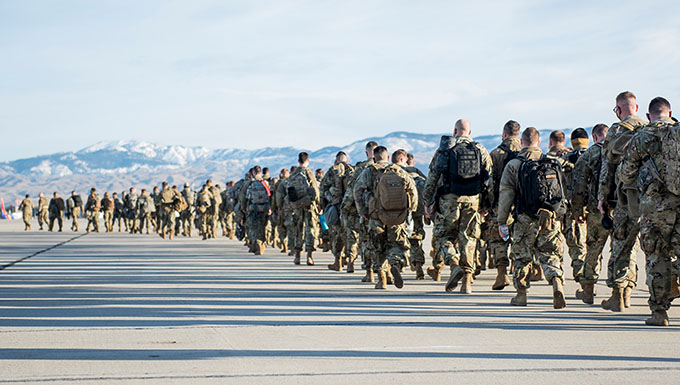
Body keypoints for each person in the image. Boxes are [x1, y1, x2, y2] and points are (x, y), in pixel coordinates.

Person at [617, 96, 679, 326]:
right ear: (670, 113)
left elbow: (626, 172)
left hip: (656, 206)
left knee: (656, 255)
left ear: (650, 116)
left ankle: (659, 312)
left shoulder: (643, 136)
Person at [497, 127, 567, 308]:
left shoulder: (514, 164)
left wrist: (501, 220)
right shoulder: (552, 162)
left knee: (522, 256)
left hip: (525, 218)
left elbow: (506, 194)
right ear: (539, 142)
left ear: (521, 141)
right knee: (550, 254)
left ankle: (521, 295)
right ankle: (556, 284)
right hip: (549, 217)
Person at [423, 119, 492, 294]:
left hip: (449, 200)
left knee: (443, 237)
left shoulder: (445, 150)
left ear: (455, 131)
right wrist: (487, 204)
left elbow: (432, 176)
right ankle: (467, 282)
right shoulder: (480, 150)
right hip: (472, 200)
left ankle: (453, 265)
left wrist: (427, 201)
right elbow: (489, 179)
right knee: (468, 240)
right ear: (469, 132)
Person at [597, 91, 648, 312]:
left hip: (624, 199)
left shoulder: (617, 130)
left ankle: (618, 294)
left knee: (620, 245)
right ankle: (628, 292)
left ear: (619, 110)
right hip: (651, 199)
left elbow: (607, 167)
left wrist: (602, 198)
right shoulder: (651, 128)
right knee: (636, 248)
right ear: (636, 108)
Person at [353, 146, 418, 289]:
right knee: (395, 243)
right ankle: (394, 264)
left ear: (374, 158)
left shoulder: (369, 171)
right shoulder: (398, 170)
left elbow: (357, 191)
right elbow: (413, 190)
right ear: (388, 158)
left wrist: (363, 211)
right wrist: (409, 210)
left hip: (376, 215)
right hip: (397, 214)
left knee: (377, 246)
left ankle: (382, 279)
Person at [571, 123, 611, 303]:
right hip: (622, 209)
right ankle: (621, 293)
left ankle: (588, 290)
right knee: (625, 250)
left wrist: (577, 210)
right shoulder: (621, 149)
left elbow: (578, 187)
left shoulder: (589, 155)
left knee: (593, 249)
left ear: (594, 137)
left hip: (596, 210)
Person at [486, 120, 521, 290]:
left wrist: (489, 204)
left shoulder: (495, 154)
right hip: (522, 205)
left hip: (501, 204)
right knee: (520, 239)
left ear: (504, 134)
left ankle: (502, 274)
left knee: (499, 239)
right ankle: (522, 277)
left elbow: (489, 182)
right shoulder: (525, 153)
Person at [342, 141, 379, 282]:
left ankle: (369, 271)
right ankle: (385, 272)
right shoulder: (388, 168)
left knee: (366, 240)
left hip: (365, 211)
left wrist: (344, 209)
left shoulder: (362, 168)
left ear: (367, 153)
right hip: (384, 211)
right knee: (384, 240)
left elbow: (352, 191)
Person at [561, 128, 589, 284]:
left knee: (577, 245)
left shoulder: (565, 159)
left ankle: (581, 277)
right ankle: (589, 277)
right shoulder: (595, 155)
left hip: (573, 209)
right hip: (595, 208)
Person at [286, 152, 320, 265]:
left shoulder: (293, 175)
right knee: (310, 230)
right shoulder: (309, 173)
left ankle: (297, 256)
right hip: (309, 206)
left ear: (298, 161)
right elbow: (316, 191)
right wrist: (320, 204)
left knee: (298, 230)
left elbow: (288, 192)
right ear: (308, 161)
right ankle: (309, 256)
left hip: (297, 207)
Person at [322, 151, 353, 272]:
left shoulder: (332, 170)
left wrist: (325, 202)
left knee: (336, 234)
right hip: (349, 208)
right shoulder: (352, 170)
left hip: (335, 206)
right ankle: (350, 262)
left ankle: (338, 262)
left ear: (336, 160)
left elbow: (323, 187)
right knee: (349, 234)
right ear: (347, 161)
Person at [403, 153, 428, 279]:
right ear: (413, 163)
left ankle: (400, 263)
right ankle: (418, 264)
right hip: (418, 213)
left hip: (402, 213)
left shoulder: (400, 176)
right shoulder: (421, 179)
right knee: (416, 238)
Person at [244, 166, 272, 255]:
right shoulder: (266, 183)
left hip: (254, 208)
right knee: (263, 227)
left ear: (254, 173)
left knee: (254, 227)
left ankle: (257, 245)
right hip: (264, 208)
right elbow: (270, 196)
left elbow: (248, 197)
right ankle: (262, 244)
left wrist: (245, 208)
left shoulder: (251, 183)